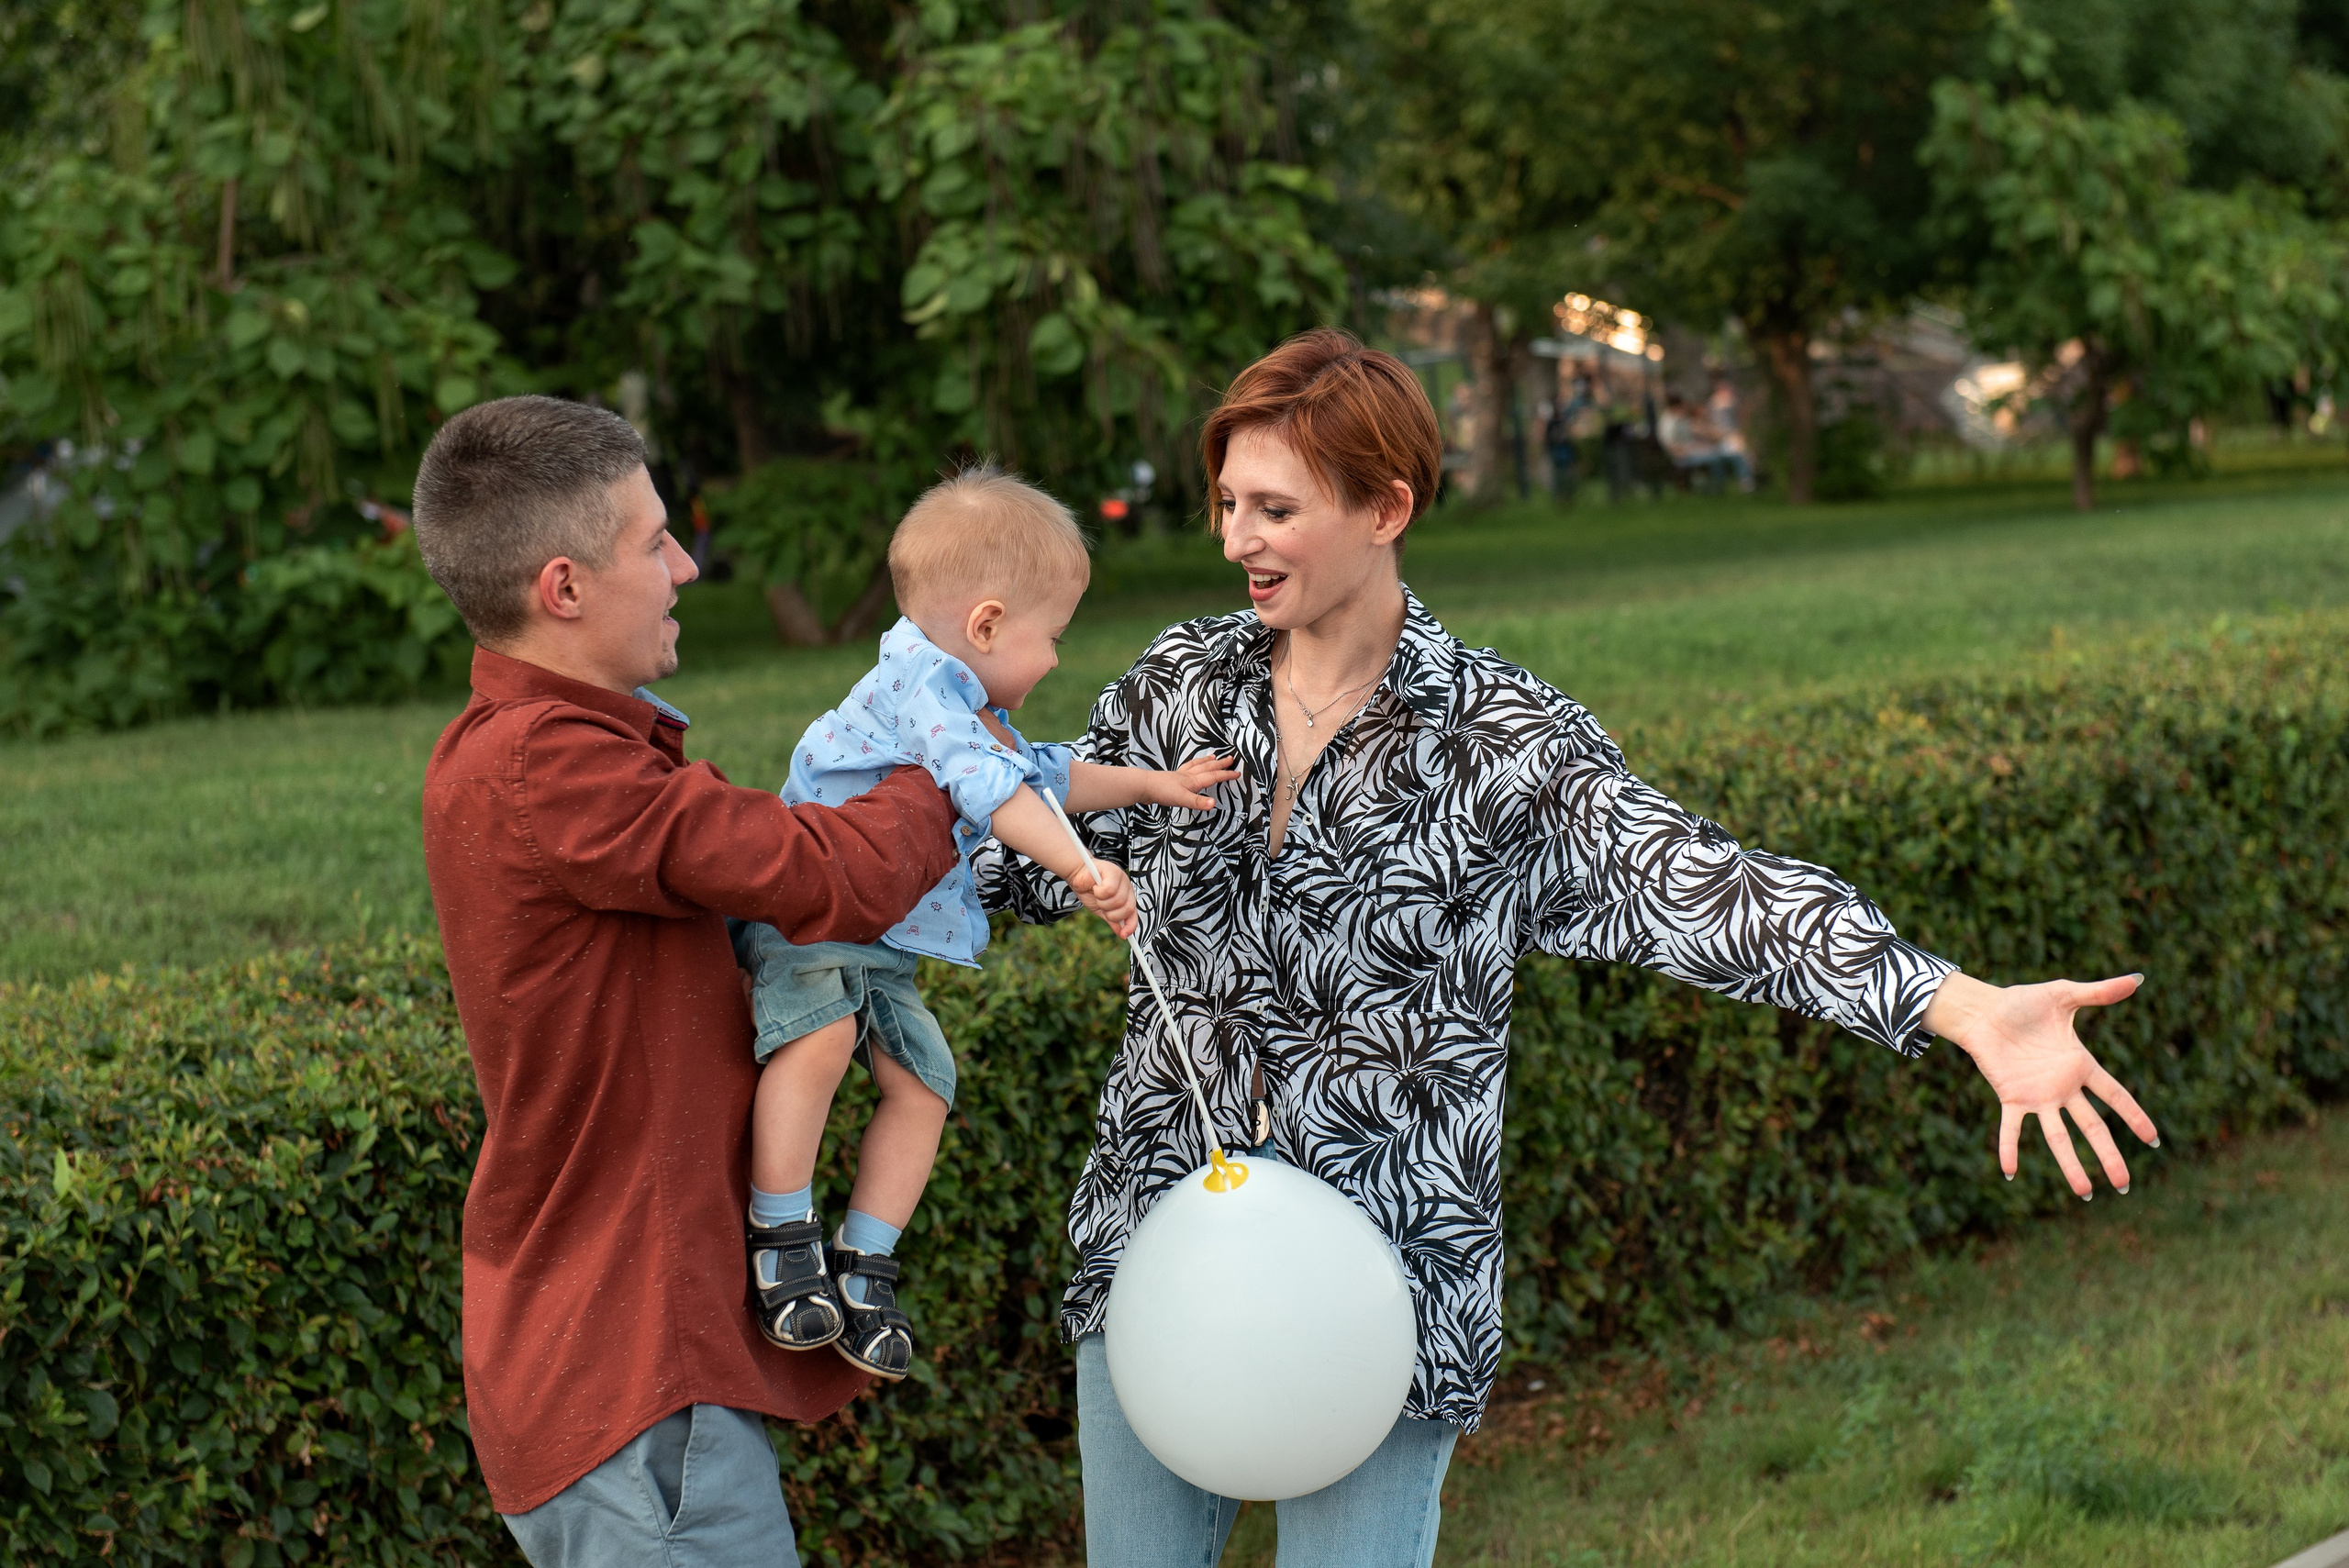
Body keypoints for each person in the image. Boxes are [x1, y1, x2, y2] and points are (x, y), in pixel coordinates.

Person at [976, 329, 2158, 1568]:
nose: (1236, 539)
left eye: (1275, 507)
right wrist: (824, 854)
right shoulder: (1178, 686)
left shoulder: (1503, 738)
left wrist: (1948, 999)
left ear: (1389, 506)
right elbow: (1033, 856)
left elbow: (1692, 881)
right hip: (1163, 1248)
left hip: (1386, 1284)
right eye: (1227, 503)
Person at [412, 395, 966, 1567]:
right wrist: (949, 752)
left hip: (615, 1381)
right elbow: (824, 872)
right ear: (562, 588)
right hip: (634, 1392)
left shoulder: (530, 750)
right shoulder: (553, 769)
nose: (687, 564)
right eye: (655, 540)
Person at [731, 467, 1237, 1382]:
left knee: (926, 1081)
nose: (1054, 659)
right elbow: (993, 788)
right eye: (1052, 637)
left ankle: (865, 1262)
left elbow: (1041, 771)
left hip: (880, 947)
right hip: (808, 921)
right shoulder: (922, 687)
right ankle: (781, 1231)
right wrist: (1082, 867)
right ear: (989, 624)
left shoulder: (971, 706)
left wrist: (1156, 784)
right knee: (821, 1037)